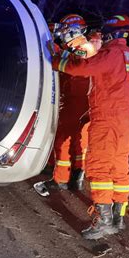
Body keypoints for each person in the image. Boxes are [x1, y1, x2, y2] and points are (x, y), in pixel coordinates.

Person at [52, 14, 129, 239]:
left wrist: (57, 61)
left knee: (99, 167)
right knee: (120, 168)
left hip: (107, 119)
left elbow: (82, 69)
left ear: (111, 33)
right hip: (128, 122)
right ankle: (117, 217)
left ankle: (103, 221)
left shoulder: (112, 53)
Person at [35, 14, 96, 196]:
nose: (63, 34)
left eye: (65, 30)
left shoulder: (84, 48)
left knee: (63, 139)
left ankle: (61, 180)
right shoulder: (81, 47)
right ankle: (75, 176)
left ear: (75, 30)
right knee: (76, 141)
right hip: (75, 99)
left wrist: (52, 51)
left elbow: (69, 64)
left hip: (76, 100)